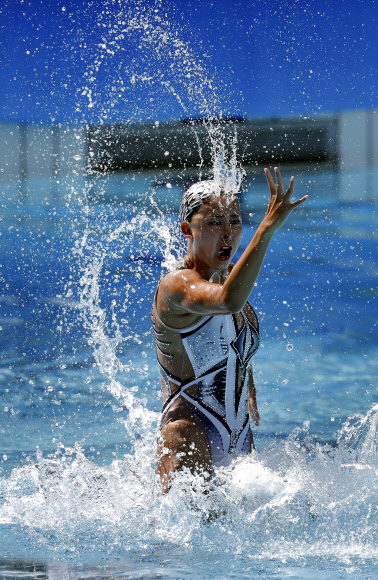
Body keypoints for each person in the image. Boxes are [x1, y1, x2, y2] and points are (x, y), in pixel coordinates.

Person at [152, 167, 308, 492]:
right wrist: (265, 230)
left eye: (235, 221)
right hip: (189, 432)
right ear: (187, 230)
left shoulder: (229, 274)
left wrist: (245, 380)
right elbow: (227, 302)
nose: (228, 233)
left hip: (237, 434)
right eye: (214, 223)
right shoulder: (176, 287)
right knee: (181, 540)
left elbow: (230, 342)